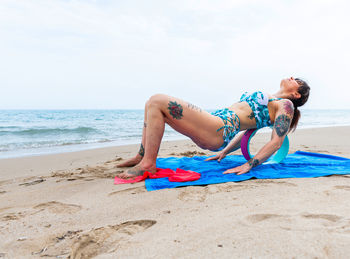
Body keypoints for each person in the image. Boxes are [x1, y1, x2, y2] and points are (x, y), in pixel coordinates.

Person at [117, 77, 310, 178]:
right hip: (215, 126)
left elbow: (277, 142)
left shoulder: (286, 106)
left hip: (219, 127)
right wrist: (224, 153)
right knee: (152, 103)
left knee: (158, 100)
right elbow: (247, 134)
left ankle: (148, 164)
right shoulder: (272, 100)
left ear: (296, 94)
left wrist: (248, 165)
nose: (292, 77)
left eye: (297, 81)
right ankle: (142, 156)